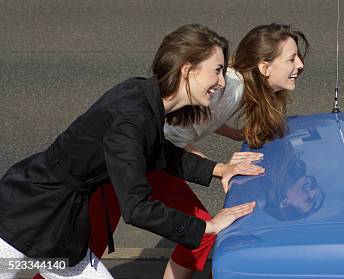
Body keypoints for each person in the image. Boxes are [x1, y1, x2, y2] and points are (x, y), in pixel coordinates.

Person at [0, 24, 263, 279]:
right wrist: (208, 226)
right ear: (187, 70)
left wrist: (221, 170)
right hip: (20, 216)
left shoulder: (143, 96)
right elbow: (137, 207)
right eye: (216, 71)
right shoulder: (132, 119)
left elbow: (159, 153)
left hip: (56, 224)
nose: (220, 82)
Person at [77, 23, 310, 279]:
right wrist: (214, 166)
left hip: (128, 163)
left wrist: (234, 134)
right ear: (265, 67)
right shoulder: (231, 88)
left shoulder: (236, 85)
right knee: (199, 234)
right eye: (291, 59)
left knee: (85, 251)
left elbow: (204, 115)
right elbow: (171, 136)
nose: (299, 64)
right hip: (144, 163)